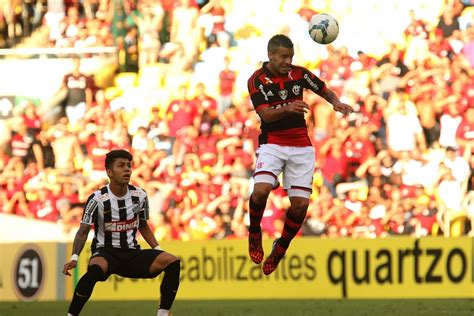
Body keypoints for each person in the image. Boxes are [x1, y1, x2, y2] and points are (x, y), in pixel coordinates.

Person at [247, 34, 353, 275]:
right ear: (271, 55)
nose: (287, 61)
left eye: (291, 57)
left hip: (301, 147)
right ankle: (254, 233)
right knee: (261, 190)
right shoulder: (257, 80)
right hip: (273, 143)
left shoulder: (299, 74)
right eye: (283, 57)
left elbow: (323, 89)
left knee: (300, 205)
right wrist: (287, 107)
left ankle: (281, 247)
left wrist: (335, 103)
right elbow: (265, 115)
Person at [63, 149, 180, 316]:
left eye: (129, 165)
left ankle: (162, 313)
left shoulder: (139, 195)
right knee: (94, 272)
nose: (127, 169)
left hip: (132, 253)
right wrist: (74, 257)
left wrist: (157, 248)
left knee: (173, 261)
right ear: (109, 172)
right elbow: (83, 231)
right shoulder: (97, 199)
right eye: (121, 166)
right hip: (105, 252)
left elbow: (143, 225)